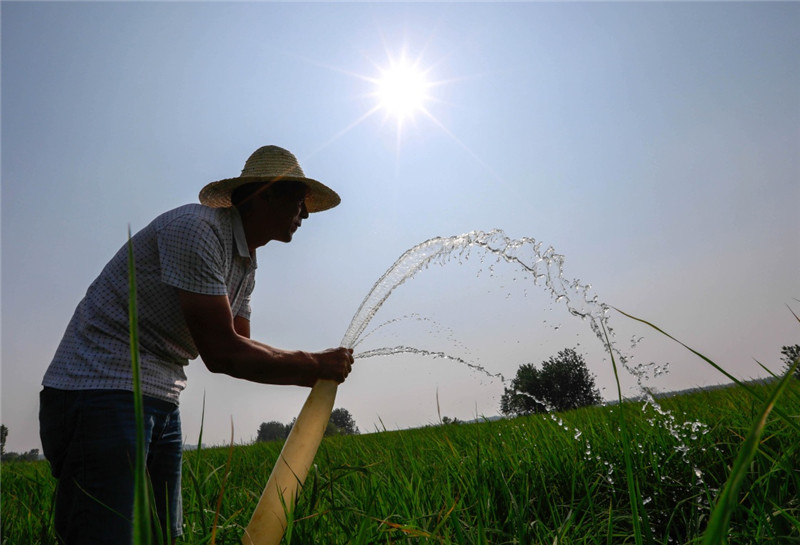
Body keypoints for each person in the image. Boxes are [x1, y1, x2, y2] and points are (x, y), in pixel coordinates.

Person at [39, 145, 355, 545]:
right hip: (101, 389)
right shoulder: (197, 230)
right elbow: (222, 353)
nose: (305, 214)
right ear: (265, 195)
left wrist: (313, 371)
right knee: (108, 534)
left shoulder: (245, 261)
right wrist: (313, 365)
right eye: (298, 200)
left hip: (161, 395)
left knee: (162, 536)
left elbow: (241, 347)